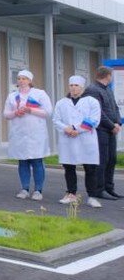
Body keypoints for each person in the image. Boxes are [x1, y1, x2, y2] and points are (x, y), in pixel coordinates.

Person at [53, 75, 103, 208]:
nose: (73, 88)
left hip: (86, 139)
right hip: (68, 138)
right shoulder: (61, 102)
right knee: (69, 167)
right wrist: (66, 128)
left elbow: (94, 120)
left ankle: (92, 196)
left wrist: (77, 129)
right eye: (71, 85)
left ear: (82, 87)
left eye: (76, 86)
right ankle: (71, 194)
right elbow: (56, 120)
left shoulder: (91, 101)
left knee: (90, 168)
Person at [2, 69, 52, 201]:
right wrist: (15, 113)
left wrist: (30, 110)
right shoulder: (12, 96)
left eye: (24, 78)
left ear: (30, 80)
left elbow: (48, 112)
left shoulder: (39, 94)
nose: (21, 81)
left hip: (36, 133)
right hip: (19, 133)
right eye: (19, 78)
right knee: (22, 161)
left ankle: (38, 190)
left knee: (37, 161)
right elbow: (6, 114)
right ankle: (24, 188)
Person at [84, 66, 123, 200]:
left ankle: (109, 187)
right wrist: (112, 125)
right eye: (111, 75)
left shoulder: (108, 89)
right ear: (107, 76)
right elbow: (98, 112)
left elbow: (115, 107)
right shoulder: (92, 90)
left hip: (111, 130)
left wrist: (118, 123)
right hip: (100, 130)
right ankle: (99, 189)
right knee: (102, 160)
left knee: (112, 159)